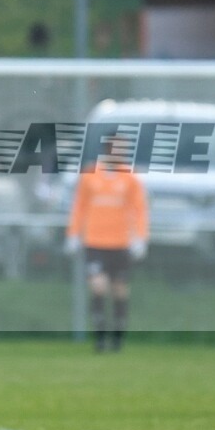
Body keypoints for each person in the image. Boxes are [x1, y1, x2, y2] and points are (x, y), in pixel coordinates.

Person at [65, 138, 149, 352]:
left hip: (120, 243)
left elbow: (139, 209)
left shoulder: (130, 178)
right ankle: (100, 337)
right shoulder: (90, 174)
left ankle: (118, 338)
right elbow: (79, 206)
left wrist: (140, 237)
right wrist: (73, 234)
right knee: (98, 286)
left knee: (119, 291)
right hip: (95, 241)